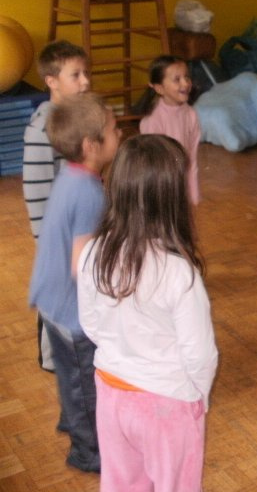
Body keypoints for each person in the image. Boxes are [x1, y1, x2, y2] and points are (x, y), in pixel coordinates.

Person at [76, 134, 218, 492]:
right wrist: (198, 397)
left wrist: (123, 351)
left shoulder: (92, 252)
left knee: (121, 485)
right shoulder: (180, 274)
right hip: (168, 404)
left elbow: (90, 323)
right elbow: (200, 355)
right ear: (171, 199)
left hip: (111, 393)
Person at [28, 93, 121, 473]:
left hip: (51, 300)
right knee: (85, 385)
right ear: (90, 146)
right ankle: (88, 452)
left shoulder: (72, 175)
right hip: (71, 312)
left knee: (71, 375)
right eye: (113, 129)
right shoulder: (88, 193)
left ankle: (71, 419)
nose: (120, 134)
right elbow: (82, 263)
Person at [22, 40, 90, 373]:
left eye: (85, 73)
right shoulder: (41, 129)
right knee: (57, 291)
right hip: (57, 232)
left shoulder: (75, 120)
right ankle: (52, 358)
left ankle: (74, 347)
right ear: (51, 81)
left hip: (78, 227)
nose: (85, 81)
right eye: (75, 75)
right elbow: (35, 189)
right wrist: (46, 238)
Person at [139, 55, 202, 205]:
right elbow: (153, 166)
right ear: (159, 88)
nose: (185, 83)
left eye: (186, 77)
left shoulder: (191, 114)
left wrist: (193, 193)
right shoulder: (152, 120)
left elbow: (192, 158)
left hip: (180, 184)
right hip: (160, 187)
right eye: (177, 79)